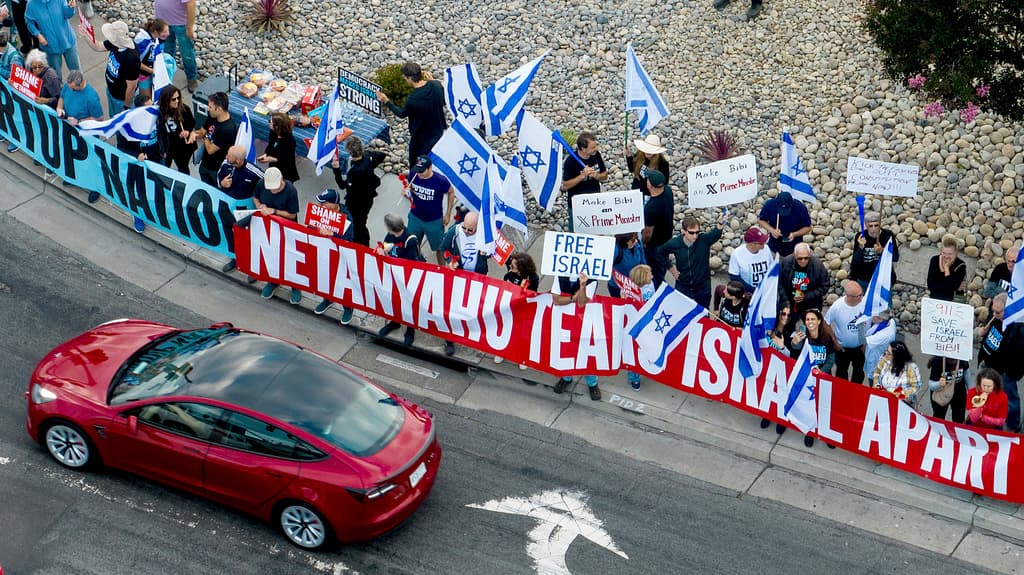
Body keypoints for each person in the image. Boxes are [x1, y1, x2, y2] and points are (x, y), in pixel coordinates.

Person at [302, 189, 356, 323]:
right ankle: (327, 299)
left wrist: (333, 234)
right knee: (325, 279)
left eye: (324, 203)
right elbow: (309, 228)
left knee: (342, 283)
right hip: (323, 253)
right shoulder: (320, 213)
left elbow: (349, 238)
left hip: (340, 257)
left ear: (333, 204)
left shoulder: (346, 217)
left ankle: (348, 307)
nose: (320, 206)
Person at [375, 62, 445, 165]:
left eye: (405, 78)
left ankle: (416, 179)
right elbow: (443, 100)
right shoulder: (436, 85)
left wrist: (386, 101)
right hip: (438, 131)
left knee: (418, 162)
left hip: (421, 137)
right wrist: (432, 81)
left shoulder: (412, 99)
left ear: (410, 78)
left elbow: (401, 113)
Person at [789, 307, 840, 447]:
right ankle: (810, 433)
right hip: (807, 380)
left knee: (824, 407)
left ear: (819, 321)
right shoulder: (803, 336)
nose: (810, 322)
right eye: (807, 319)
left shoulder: (826, 338)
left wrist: (821, 372)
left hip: (823, 378)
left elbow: (831, 359)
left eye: (813, 319)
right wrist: (795, 342)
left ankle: (826, 435)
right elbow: (795, 350)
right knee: (809, 407)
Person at [440, 212, 487, 357]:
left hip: (477, 276)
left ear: (478, 227)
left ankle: (467, 332)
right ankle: (449, 339)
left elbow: (495, 252)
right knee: (453, 307)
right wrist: (449, 261)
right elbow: (444, 249)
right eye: (465, 228)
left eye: (470, 230)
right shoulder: (455, 231)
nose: (466, 232)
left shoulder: (485, 235)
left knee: (472, 306)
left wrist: (487, 253)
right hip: (458, 276)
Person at [976, 292, 1024, 432]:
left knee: (1010, 399)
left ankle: (1012, 425)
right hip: (988, 364)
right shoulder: (995, 317)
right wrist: (982, 332)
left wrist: (1010, 374)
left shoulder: (1018, 328)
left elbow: (1020, 357)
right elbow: (988, 328)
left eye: (998, 312)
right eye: (993, 311)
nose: (995, 314)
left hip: (1003, 372)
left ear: (1008, 309)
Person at [375, 213, 425, 343]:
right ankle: (395, 321)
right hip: (394, 274)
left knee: (409, 302)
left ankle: (410, 329)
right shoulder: (391, 235)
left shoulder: (410, 240)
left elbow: (409, 264)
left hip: (407, 276)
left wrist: (389, 257)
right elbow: (385, 245)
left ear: (392, 228)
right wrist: (382, 250)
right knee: (395, 299)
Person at [657, 214, 724, 309]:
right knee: (681, 314)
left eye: (697, 232)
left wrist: (720, 223)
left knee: (703, 315)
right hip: (683, 286)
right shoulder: (675, 243)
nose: (695, 236)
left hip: (702, 287)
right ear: (683, 231)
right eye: (691, 233)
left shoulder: (703, 240)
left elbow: (715, 234)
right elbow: (660, 253)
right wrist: (671, 269)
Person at [253, 168, 300, 303]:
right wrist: (260, 206)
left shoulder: (290, 190)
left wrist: (273, 211)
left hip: (286, 229)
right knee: (272, 255)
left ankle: (295, 286)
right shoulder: (262, 184)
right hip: (268, 227)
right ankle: (273, 281)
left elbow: (292, 214)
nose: (272, 191)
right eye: (270, 188)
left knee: (290, 257)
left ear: (281, 180)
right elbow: (256, 198)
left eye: (275, 188)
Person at [552, 272, 601, 399]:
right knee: (566, 350)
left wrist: (583, 286)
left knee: (588, 352)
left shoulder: (591, 279)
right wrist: (573, 298)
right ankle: (566, 377)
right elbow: (556, 300)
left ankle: (592, 384)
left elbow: (582, 302)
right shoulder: (560, 275)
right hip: (566, 321)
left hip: (586, 322)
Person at [331, 135, 385, 247]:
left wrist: (336, 169)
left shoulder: (355, 172)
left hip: (357, 202)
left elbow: (342, 185)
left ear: (349, 151)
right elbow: (381, 155)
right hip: (368, 197)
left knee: (358, 225)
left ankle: (362, 246)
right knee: (361, 222)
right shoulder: (368, 156)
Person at [81, 20, 140, 116]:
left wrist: (126, 106)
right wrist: (86, 35)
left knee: (120, 124)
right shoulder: (116, 43)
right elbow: (98, 46)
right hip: (111, 91)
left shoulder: (132, 58)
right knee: (112, 116)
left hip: (121, 99)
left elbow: (132, 87)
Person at [404, 155, 454, 264]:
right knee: (412, 244)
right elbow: (409, 187)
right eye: (418, 170)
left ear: (430, 168)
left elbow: (451, 192)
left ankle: (442, 269)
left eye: (422, 171)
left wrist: (448, 214)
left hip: (434, 221)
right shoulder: (414, 174)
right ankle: (417, 264)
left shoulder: (440, 181)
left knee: (439, 248)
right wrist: (407, 192)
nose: (419, 174)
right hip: (415, 217)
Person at [495, 253, 539, 370]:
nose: (510, 266)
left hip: (525, 309)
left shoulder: (533, 278)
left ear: (521, 267)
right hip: (510, 308)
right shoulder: (508, 275)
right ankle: (502, 351)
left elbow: (532, 295)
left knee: (522, 333)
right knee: (507, 329)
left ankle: (522, 357)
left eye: (513, 265)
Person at [716, 226, 773, 310]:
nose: (764, 244)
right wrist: (753, 290)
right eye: (761, 242)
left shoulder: (766, 249)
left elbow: (771, 269)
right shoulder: (737, 254)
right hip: (748, 295)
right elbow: (734, 277)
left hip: (766, 293)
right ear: (752, 244)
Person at [561, 131, 608, 229]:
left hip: (594, 202)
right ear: (583, 149)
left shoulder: (596, 155)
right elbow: (565, 185)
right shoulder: (570, 162)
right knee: (577, 232)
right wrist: (582, 176)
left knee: (595, 230)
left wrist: (597, 176)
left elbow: (605, 175)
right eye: (593, 147)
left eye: (596, 146)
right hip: (577, 205)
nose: (596, 149)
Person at [825, 281, 866, 384]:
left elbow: (872, 321)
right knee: (841, 372)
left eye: (861, 294)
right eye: (858, 296)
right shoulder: (837, 307)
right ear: (848, 296)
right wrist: (835, 342)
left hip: (860, 347)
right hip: (842, 348)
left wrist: (866, 343)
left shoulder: (865, 303)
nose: (861, 297)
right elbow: (826, 323)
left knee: (859, 372)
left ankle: (855, 392)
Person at [192, 91, 236, 187]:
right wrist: (192, 134)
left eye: (210, 107)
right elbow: (202, 131)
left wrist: (205, 136)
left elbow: (211, 150)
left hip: (216, 169)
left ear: (219, 109)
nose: (208, 109)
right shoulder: (212, 116)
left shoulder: (228, 129)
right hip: (205, 163)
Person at [778, 242, 828, 323]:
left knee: (810, 328)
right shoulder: (786, 263)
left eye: (806, 258)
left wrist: (806, 296)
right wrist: (785, 301)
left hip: (811, 303)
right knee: (787, 326)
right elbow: (780, 284)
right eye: (800, 258)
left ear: (810, 255)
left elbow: (825, 286)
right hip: (790, 301)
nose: (803, 261)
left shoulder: (818, 266)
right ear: (795, 255)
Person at [25, 0, 78, 76]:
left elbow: (68, 15)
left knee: (77, 72)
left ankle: (79, 87)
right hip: (50, 46)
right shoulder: (31, 4)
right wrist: (38, 35)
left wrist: (71, 8)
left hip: (68, 40)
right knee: (55, 76)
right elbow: (29, 22)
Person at [626, 264, 656, 391]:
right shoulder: (629, 290)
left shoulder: (651, 285)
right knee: (634, 350)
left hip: (648, 322)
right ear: (642, 278)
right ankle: (634, 377)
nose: (652, 276)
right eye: (650, 275)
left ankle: (646, 366)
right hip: (635, 324)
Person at [850, 212, 900, 290]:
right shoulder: (860, 237)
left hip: (883, 278)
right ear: (866, 225)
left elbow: (895, 257)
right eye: (870, 226)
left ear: (880, 224)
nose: (873, 229)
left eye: (876, 225)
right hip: (865, 279)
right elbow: (855, 262)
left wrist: (883, 251)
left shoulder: (887, 235)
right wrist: (860, 248)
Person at [155, 0, 197, 92]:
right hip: (162, 22)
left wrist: (189, 27)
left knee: (187, 54)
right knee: (167, 51)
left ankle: (192, 78)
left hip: (181, 24)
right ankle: (167, 76)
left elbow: (191, 3)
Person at [641, 170, 674, 288]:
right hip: (667, 239)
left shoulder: (651, 207)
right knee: (662, 265)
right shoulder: (668, 192)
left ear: (650, 185)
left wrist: (644, 242)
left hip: (655, 245)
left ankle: (658, 291)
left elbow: (648, 232)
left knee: (655, 272)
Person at [156, 85, 196, 174]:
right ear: (166, 100)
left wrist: (187, 131)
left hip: (181, 148)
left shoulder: (184, 109)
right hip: (168, 147)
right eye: (173, 99)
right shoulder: (160, 113)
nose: (177, 101)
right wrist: (162, 150)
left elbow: (191, 122)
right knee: (164, 169)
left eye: (178, 98)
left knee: (183, 168)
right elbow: (160, 133)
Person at [758, 191, 811, 257]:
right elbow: (761, 220)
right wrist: (772, 230)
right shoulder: (770, 205)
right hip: (775, 244)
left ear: (791, 204)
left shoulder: (800, 208)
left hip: (795, 246)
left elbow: (808, 227)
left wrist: (794, 234)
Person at [872, 340, 923, 407]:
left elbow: (917, 387)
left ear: (897, 357)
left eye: (889, 353)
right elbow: (877, 372)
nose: (886, 354)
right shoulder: (884, 359)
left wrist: (902, 394)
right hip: (882, 400)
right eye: (886, 350)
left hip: (901, 404)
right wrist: (877, 386)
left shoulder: (912, 367)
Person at [258, 112, 299, 183]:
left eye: (270, 122)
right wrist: (266, 154)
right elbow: (271, 144)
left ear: (277, 126)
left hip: (285, 171)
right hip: (274, 167)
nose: (269, 123)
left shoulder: (289, 141)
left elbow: (287, 160)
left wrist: (273, 159)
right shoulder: (273, 132)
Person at [133, 18, 169, 101]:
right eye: (165, 32)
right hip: (143, 74)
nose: (168, 34)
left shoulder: (154, 37)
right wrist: (152, 71)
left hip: (150, 71)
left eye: (168, 30)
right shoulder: (143, 42)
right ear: (156, 32)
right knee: (147, 100)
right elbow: (136, 62)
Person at [927, 355, 969, 424]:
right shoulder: (938, 362)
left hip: (959, 393)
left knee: (959, 419)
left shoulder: (962, 360)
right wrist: (938, 384)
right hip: (941, 394)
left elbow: (967, 374)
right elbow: (931, 384)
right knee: (939, 418)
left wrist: (972, 391)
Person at [926, 234, 967, 302]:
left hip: (953, 301)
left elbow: (950, 288)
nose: (946, 256)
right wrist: (952, 286)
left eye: (950, 254)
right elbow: (931, 286)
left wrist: (947, 270)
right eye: (944, 253)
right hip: (935, 298)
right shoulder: (934, 260)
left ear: (956, 253)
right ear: (941, 251)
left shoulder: (961, 265)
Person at [608, 232, 646, 299]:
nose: (636, 241)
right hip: (617, 287)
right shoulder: (616, 250)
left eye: (636, 238)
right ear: (625, 242)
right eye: (633, 240)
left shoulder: (638, 243)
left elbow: (643, 262)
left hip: (634, 285)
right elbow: (607, 265)